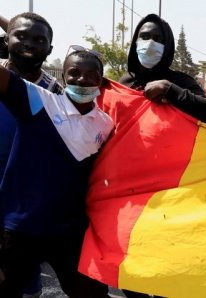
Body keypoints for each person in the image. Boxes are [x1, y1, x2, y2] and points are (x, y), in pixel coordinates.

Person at [0, 45, 114, 297]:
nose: (82, 79)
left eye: (91, 74)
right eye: (74, 72)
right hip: (22, 229)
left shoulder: (106, 124)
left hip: (69, 232)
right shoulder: (39, 100)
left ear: (101, 79)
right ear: (63, 77)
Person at [0, 12, 66, 298]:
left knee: (25, 287)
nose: (30, 45)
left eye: (39, 40)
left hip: (28, 214)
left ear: (50, 49)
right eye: (21, 36)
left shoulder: (58, 95)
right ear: (6, 41)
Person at [120, 14, 206, 126]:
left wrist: (169, 90)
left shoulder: (179, 81)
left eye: (157, 39)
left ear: (167, 45)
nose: (150, 43)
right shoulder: (125, 82)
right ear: (135, 41)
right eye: (144, 37)